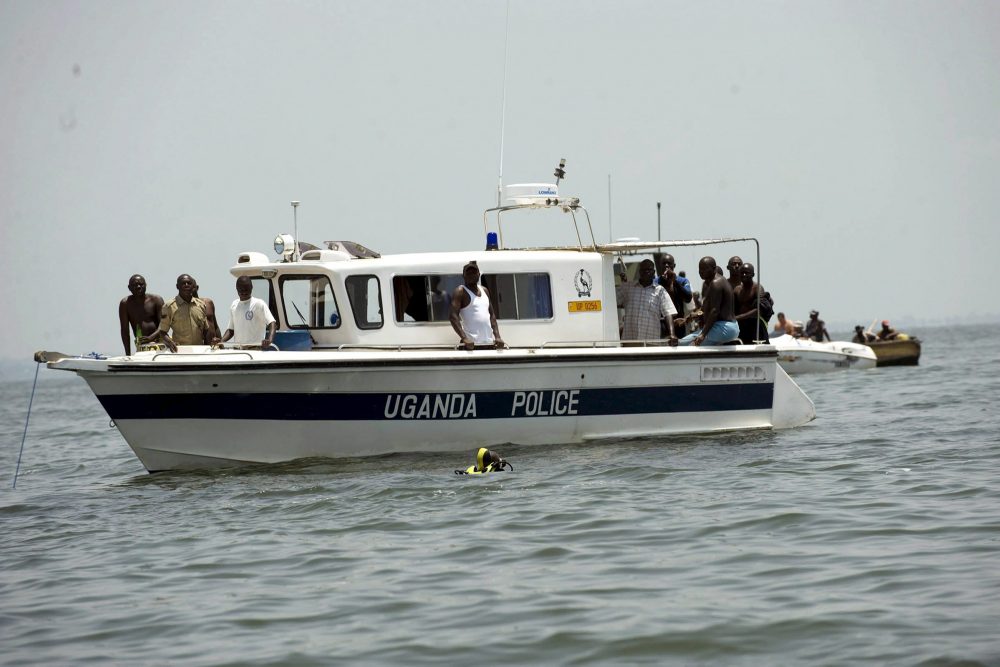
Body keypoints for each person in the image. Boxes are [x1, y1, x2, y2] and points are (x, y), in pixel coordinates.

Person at [143, 274, 213, 352]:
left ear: (193, 286)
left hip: (199, 351)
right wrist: (169, 342)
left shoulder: (201, 305)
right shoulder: (169, 306)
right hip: (180, 351)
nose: (186, 285)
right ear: (177, 286)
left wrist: (208, 349)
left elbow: (206, 330)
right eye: (183, 283)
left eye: (189, 283)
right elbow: (162, 332)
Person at [616, 259, 678, 344]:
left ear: (653, 272)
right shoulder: (627, 288)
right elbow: (611, 302)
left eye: (649, 270)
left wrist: (672, 334)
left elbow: (668, 313)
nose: (646, 272)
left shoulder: (660, 291)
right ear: (639, 272)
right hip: (630, 341)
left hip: (651, 342)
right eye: (643, 270)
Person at [679, 257, 738, 346]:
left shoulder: (716, 283)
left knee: (683, 344)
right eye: (700, 269)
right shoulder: (713, 283)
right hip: (726, 327)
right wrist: (689, 318)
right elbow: (703, 310)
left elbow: (714, 311)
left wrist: (703, 334)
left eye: (704, 269)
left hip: (724, 327)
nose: (701, 272)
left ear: (714, 268)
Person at [450, 261, 504, 350]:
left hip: (489, 343)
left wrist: (497, 337)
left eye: (474, 272)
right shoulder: (460, 291)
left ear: (478, 274)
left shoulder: (484, 290)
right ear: (463, 275)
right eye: (468, 273)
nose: (471, 275)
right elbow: (453, 316)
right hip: (471, 346)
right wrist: (465, 338)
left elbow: (492, 316)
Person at [212, 276, 277, 349]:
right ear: (237, 289)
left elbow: (272, 323)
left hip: (254, 350)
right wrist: (221, 341)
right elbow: (231, 329)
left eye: (246, 289)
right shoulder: (234, 305)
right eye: (241, 290)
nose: (244, 292)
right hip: (237, 350)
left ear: (251, 288)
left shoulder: (259, 304)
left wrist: (269, 340)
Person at [118, 274, 164, 355]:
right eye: (135, 285)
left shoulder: (156, 300)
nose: (138, 287)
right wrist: (128, 355)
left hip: (160, 342)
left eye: (141, 284)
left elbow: (163, 324)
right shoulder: (125, 304)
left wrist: (151, 338)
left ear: (146, 285)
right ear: (129, 287)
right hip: (141, 344)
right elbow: (125, 330)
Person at [654, 253, 692, 332]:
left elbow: (688, 298)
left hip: (678, 322)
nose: (666, 266)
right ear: (659, 266)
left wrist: (674, 281)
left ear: (674, 265)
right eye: (664, 263)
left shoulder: (682, 281)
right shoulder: (654, 283)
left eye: (669, 263)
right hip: (660, 323)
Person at [733, 262, 768, 344]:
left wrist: (739, 317)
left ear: (752, 274)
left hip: (755, 326)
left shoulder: (757, 288)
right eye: (742, 273)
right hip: (740, 326)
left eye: (746, 273)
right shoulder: (737, 290)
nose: (744, 275)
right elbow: (733, 309)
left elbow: (760, 310)